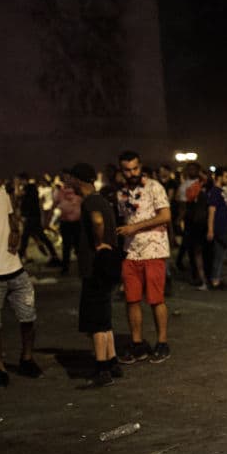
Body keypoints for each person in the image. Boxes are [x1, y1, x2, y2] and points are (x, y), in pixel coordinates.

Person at [0, 154, 43, 387]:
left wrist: (15, 232)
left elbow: (11, 221)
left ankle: (26, 358)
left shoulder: (2, 194)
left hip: (15, 269)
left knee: (28, 316)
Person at [116, 150, 173, 363]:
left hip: (154, 250)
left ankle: (162, 342)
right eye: (127, 170)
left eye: (135, 168)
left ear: (141, 167)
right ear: (121, 171)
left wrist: (135, 227)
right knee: (131, 300)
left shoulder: (154, 187)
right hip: (131, 252)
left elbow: (165, 216)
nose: (132, 173)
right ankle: (137, 343)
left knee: (156, 299)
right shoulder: (121, 193)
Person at [69, 162, 121, 387]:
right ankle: (112, 361)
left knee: (96, 320)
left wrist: (99, 243)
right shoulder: (102, 199)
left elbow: (97, 220)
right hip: (107, 267)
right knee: (105, 316)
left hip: (96, 267)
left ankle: (102, 369)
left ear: (79, 180)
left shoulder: (91, 202)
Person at [53, 169, 83, 275]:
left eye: (68, 177)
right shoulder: (60, 190)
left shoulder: (79, 189)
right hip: (65, 221)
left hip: (77, 222)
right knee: (66, 246)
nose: (67, 179)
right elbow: (55, 202)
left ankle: (82, 268)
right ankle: (65, 268)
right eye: (65, 177)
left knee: (78, 246)